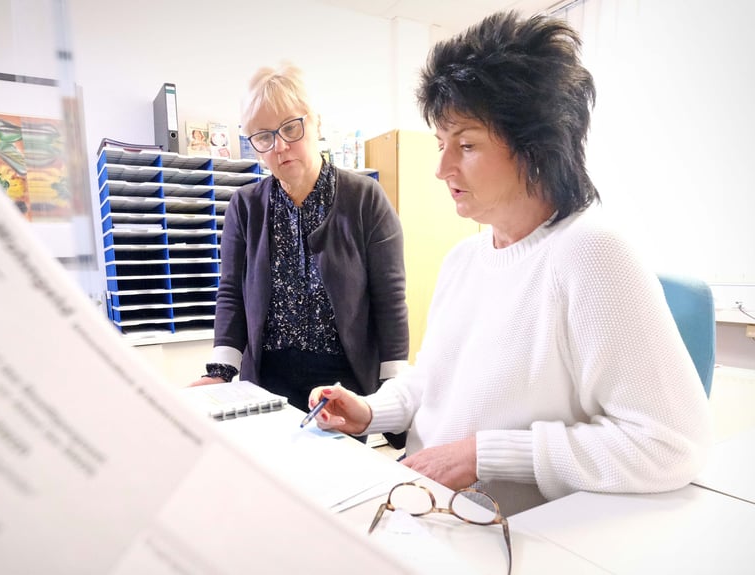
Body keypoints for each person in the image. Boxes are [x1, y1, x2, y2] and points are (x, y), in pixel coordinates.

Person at [309, 12, 712, 515]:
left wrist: (486, 454)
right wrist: (370, 411)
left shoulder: (591, 253)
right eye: (441, 143)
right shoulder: (464, 259)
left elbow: (670, 444)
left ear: (537, 147)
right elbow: (434, 380)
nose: (441, 167)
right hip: (424, 508)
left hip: (508, 535)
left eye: (467, 144)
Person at [189, 62, 409, 418]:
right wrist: (220, 371)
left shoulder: (366, 198)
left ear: (316, 122)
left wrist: (392, 388)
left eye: (291, 127)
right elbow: (231, 293)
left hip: (342, 383)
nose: (280, 146)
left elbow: (390, 296)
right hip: (267, 378)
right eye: (264, 137)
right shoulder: (244, 206)